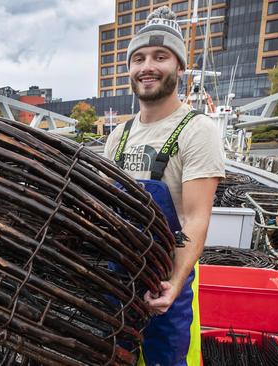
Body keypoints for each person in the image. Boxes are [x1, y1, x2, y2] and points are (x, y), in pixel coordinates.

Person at [104, 6, 225, 366]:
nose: (147, 67)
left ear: (180, 67)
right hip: (120, 275)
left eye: (161, 56)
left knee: (167, 359)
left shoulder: (196, 130)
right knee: (117, 354)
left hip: (170, 277)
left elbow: (195, 218)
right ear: (129, 68)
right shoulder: (118, 137)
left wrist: (173, 282)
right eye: (138, 58)